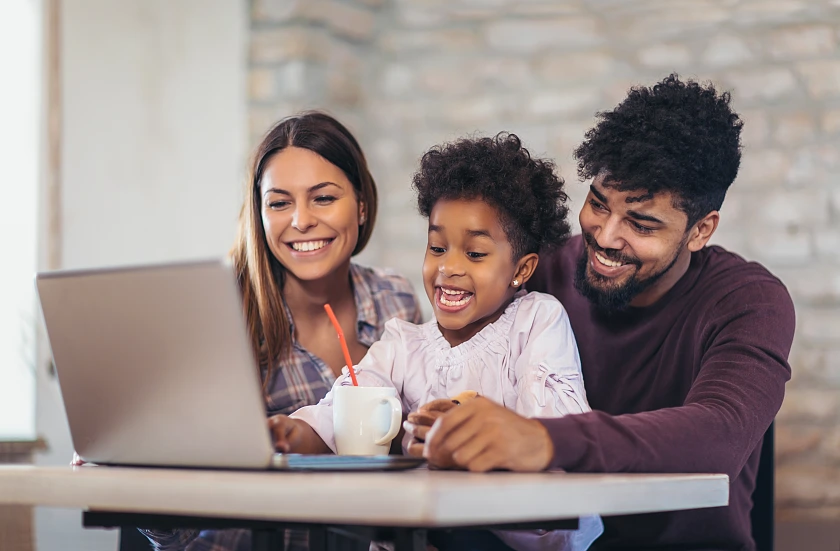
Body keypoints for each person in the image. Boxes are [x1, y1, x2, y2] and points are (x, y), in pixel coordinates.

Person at [406, 74, 795, 551]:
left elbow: (720, 434)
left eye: (641, 223)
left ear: (700, 230)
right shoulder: (540, 270)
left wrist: (544, 439)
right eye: (598, 203)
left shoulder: (747, 301)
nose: (606, 237)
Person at [270, 133, 604, 551]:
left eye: (476, 254)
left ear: (521, 269)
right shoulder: (403, 342)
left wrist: (466, 428)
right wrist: (291, 436)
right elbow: (344, 411)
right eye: (437, 247)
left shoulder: (536, 320)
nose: (448, 268)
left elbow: (556, 435)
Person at [139, 111, 422, 551]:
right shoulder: (223, 314)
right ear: (260, 213)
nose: (301, 220)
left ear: (362, 206)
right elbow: (174, 532)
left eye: (323, 198)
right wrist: (138, 471)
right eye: (279, 202)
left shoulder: (395, 300)